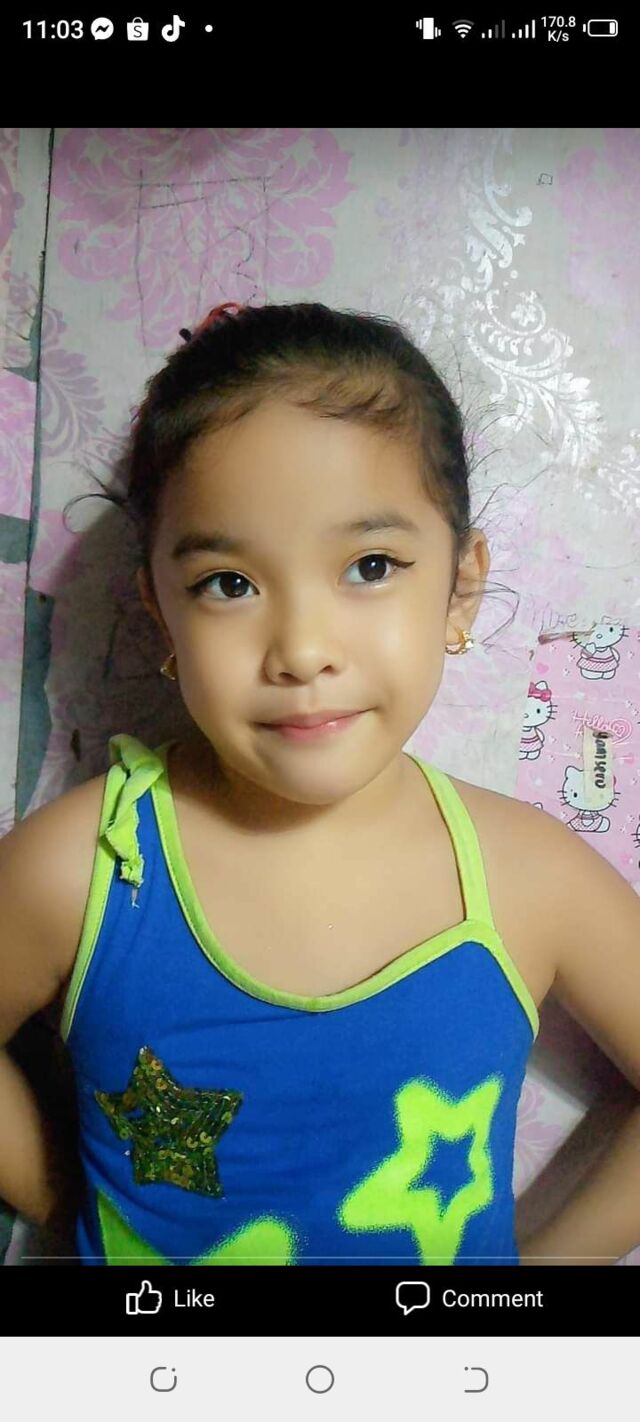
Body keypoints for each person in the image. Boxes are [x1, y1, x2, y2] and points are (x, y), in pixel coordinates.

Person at [1, 301, 639, 1267]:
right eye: (228, 583)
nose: (301, 650)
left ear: (461, 588)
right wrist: (67, 1194)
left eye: (370, 566)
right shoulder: (78, 871)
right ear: (160, 612)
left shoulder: (533, 878)